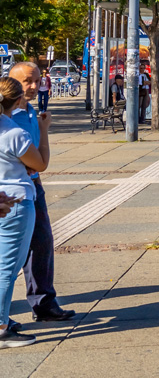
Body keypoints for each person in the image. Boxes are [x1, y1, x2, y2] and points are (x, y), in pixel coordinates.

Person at [7, 63, 73, 329]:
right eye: (27, 81)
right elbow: (37, 160)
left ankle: (44, 303)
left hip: (33, 184)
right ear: (10, 83)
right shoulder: (7, 116)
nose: (34, 86)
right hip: (11, 190)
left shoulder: (30, 109)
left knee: (42, 243)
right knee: (9, 255)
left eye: (36, 80)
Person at [0, 76, 48, 347]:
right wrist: (45, 129)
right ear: (17, 100)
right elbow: (40, 164)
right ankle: (1, 327)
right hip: (15, 203)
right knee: (7, 268)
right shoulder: (12, 133)